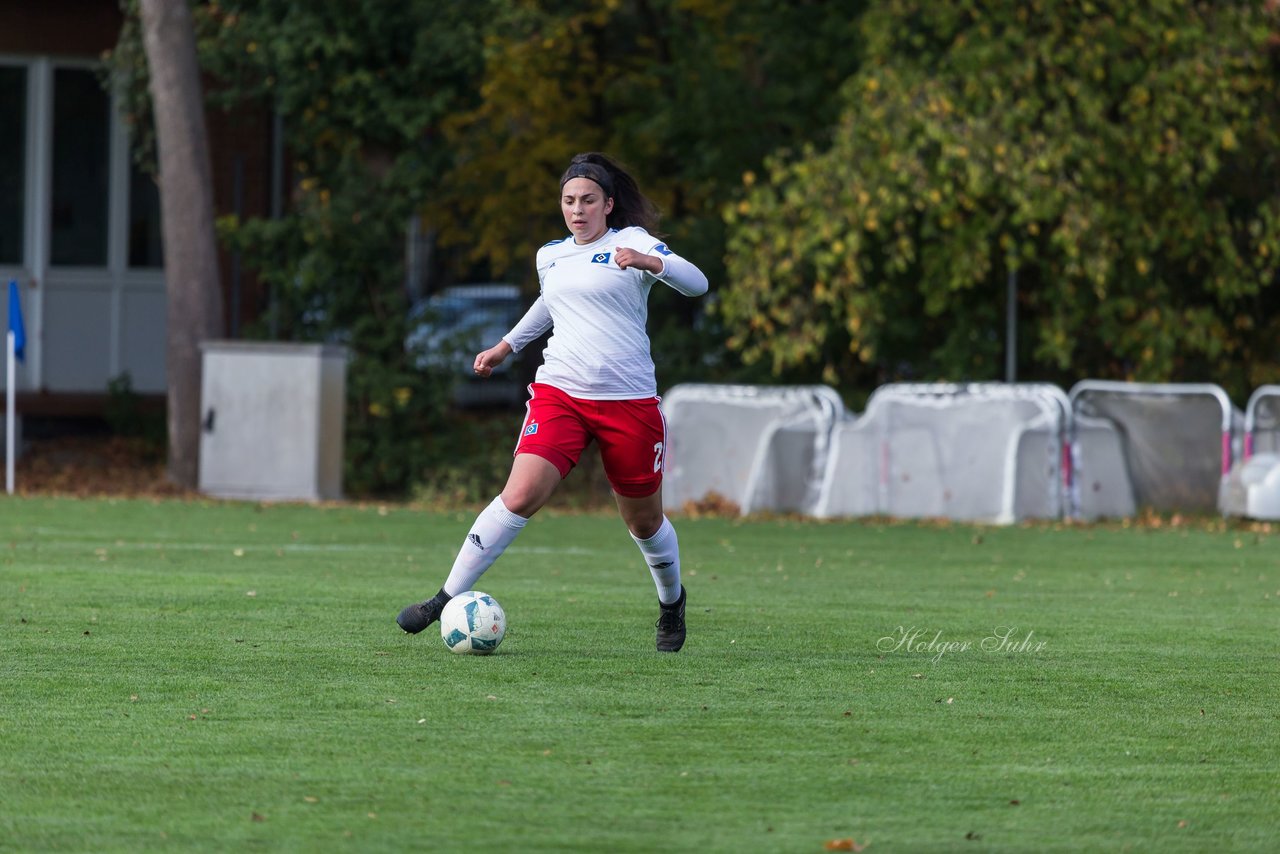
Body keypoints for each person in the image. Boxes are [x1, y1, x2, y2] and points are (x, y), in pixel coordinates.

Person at [396, 152, 709, 652]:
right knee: (518, 495)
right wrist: (505, 346)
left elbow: (698, 283)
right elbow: (551, 301)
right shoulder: (552, 255)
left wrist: (653, 262)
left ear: (608, 204)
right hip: (560, 393)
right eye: (568, 201)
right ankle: (443, 599)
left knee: (644, 522)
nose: (577, 210)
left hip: (628, 401)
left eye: (587, 200)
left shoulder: (632, 243)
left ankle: (671, 604)